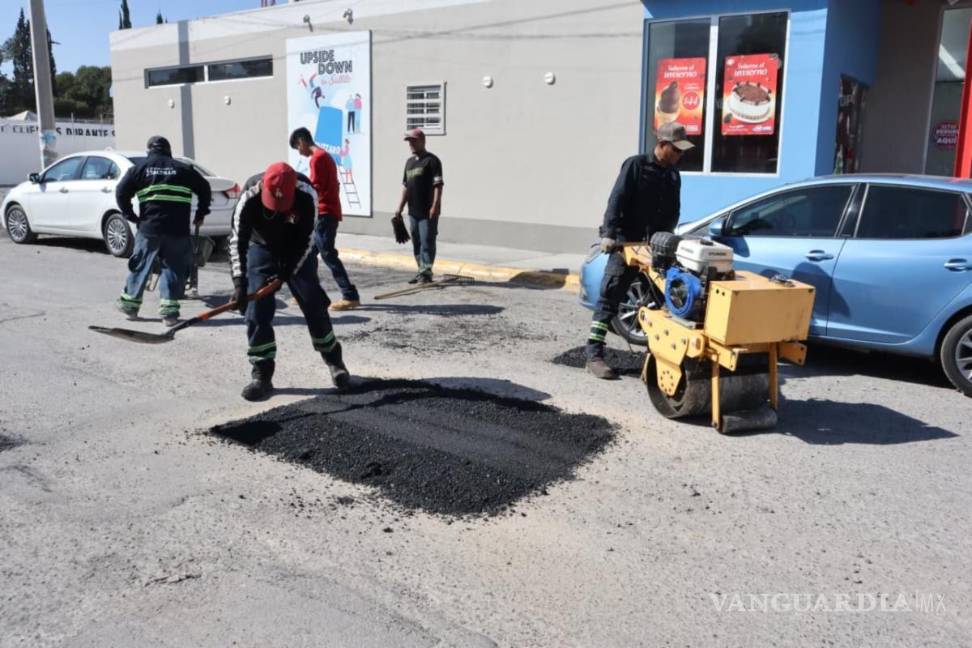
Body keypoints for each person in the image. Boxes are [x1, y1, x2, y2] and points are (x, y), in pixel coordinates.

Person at [229, 162, 350, 401]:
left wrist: (285, 274)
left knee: (314, 303)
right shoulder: (250, 195)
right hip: (260, 246)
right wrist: (239, 283)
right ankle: (262, 373)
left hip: (295, 249)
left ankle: (334, 361)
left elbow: (306, 242)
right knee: (256, 310)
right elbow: (237, 242)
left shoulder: (307, 194)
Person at [585, 122, 694, 379]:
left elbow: (673, 211)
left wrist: (666, 241)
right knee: (610, 298)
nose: (680, 155)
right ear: (663, 145)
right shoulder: (635, 165)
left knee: (664, 301)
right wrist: (609, 234)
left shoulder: (673, 175)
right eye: (677, 150)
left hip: (654, 249)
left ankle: (659, 356)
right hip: (626, 244)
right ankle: (594, 355)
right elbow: (617, 199)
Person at [115, 135, 212, 326]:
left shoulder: (139, 169)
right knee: (174, 267)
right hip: (178, 229)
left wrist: (130, 215)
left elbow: (121, 192)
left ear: (149, 151)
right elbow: (205, 188)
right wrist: (201, 213)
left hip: (150, 228)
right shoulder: (184, 169)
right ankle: (169, 314)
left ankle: (130, 308)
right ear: (169, 150)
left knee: (141, 264)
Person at [289, 127, 361, 310]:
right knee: (310, 254)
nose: (300, 152)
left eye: (297, 148)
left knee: (327, 253)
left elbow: (315, 188)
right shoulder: (324, 156)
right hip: (326, 212)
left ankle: (349, 295)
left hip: (324, 213)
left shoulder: (318, 158)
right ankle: (307, 292)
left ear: (301, 142)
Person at [395, 128, 444, 284]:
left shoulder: (432, 161)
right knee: (417, 242)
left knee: (427, 242)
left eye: (413, 141)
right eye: (409, 141)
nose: (411, 144)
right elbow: (405, 187)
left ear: (422, 141)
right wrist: (400, 208)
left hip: (428, 211)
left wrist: (435, 206)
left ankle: (427, 273)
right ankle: (421, 270)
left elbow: (438, 185)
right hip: (413, 211)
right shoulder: (409, 163)